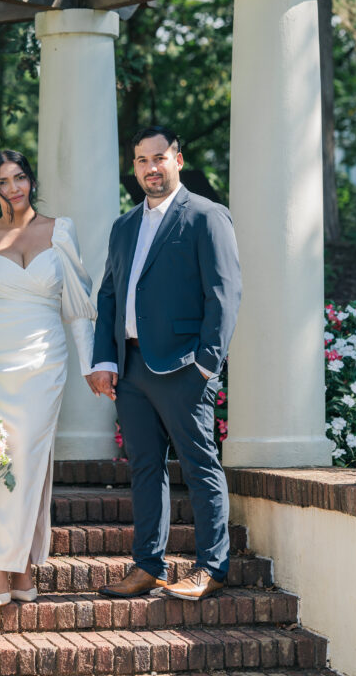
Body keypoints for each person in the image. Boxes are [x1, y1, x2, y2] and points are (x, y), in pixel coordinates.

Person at [88, 126, 241, 601]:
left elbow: (224, 293)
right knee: (145, 468)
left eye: (159, 157)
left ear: (177, 158)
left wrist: (206, 363)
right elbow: (109, 295)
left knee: (199, 465)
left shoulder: (206, 216)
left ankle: (211, 566)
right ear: (133, 167)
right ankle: (148, 566)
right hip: (130, 368)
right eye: (141, 160)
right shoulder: (123, 225)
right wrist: (105, 359)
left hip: (183, 367)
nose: (151, 168)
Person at [0, 149, 95, 606]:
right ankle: (8, 570)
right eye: (4, 182)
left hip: (45, 363)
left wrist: (93, 368)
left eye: (20, 178)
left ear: (31, 180)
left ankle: (15, 565)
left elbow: (77, 309)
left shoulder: (60, 231)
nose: (14, 188)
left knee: (29, 461)